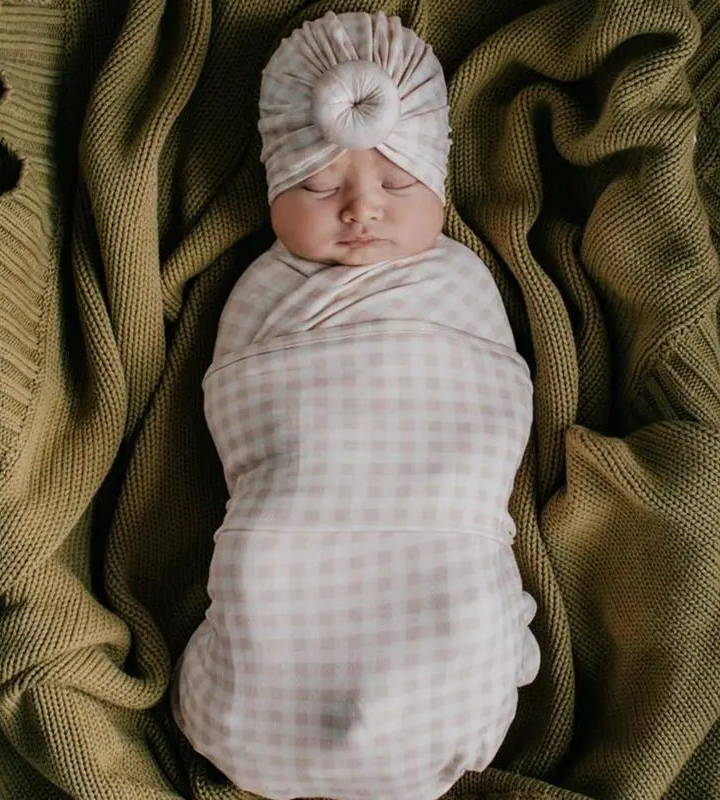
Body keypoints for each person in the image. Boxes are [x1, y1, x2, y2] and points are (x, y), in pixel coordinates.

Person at [171, 11, 540, 800]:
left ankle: (455, 675)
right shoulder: (260, 289)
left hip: (439, 543)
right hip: (291, 541)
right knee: (264, 581)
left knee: (461, 609)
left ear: (438, 180)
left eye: (397, 184)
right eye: (319, 185)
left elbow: (493, 415)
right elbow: (243, 424)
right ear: (274, 183)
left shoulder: (462, 282)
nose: (361, 209)